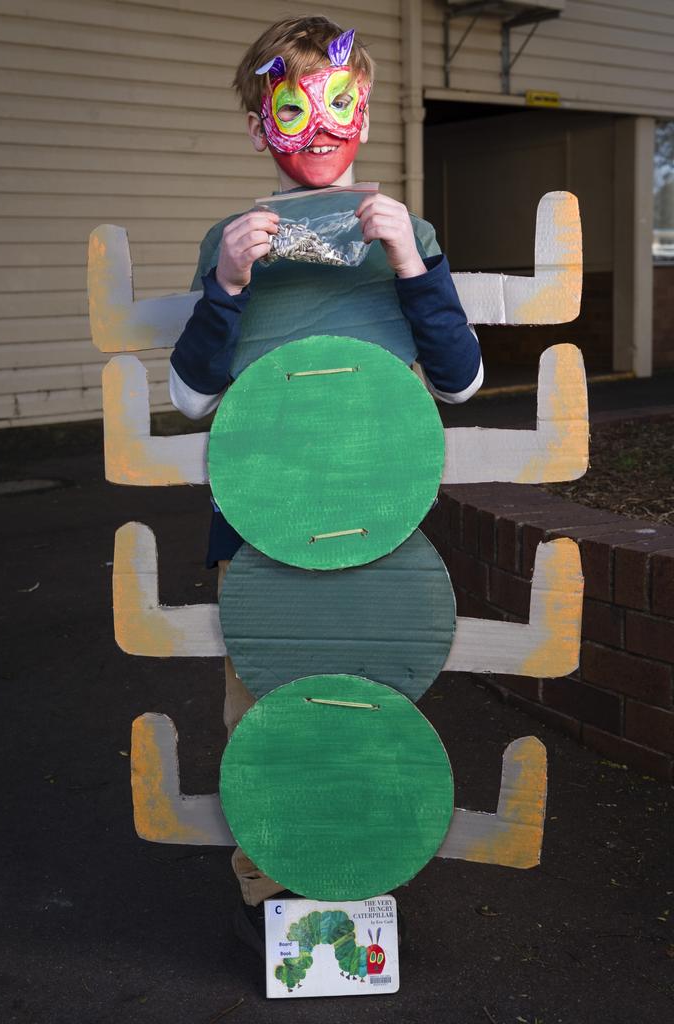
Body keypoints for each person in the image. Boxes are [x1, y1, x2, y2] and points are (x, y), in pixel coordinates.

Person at [167, 15, 483, 916]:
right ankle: (276, 891)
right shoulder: (233, 239)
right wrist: (227, 283)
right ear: (261, 119)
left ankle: (363, 876)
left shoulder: (405, 232)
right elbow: (191, 396)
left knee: (374, 697)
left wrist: (411, 260)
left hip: (378, 520)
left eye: (341, 104)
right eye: (296, 106)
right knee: (266, 705)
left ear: (368, 115)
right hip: (258, 527)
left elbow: (460, 382)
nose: (321, 126)